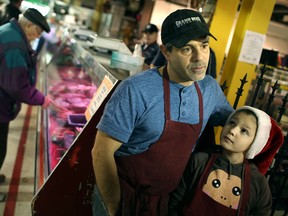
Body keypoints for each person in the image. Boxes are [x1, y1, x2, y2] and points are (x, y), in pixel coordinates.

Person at [91, 9, 234, 216]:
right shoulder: (136, 90)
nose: (200, 57)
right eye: (187, 49)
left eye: (204, 46)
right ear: (166, 52)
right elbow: (101, 153)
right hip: (124, 194)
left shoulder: (209, 89)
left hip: (165, 202)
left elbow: (236, 122)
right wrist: (113, 208)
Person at [169, 106, 284, 216]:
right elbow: (176, 201)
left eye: (244, 131)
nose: (233, 130)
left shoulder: (258, 182)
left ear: (254, 143)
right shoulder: (200, 161)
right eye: (232, 122)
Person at [0, 8, 51, 202]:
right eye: (37, 32)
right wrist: (42, 99)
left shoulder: (9, 31)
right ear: (29, 25)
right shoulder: (14, 44)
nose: (36, 37)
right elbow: (17, 85)